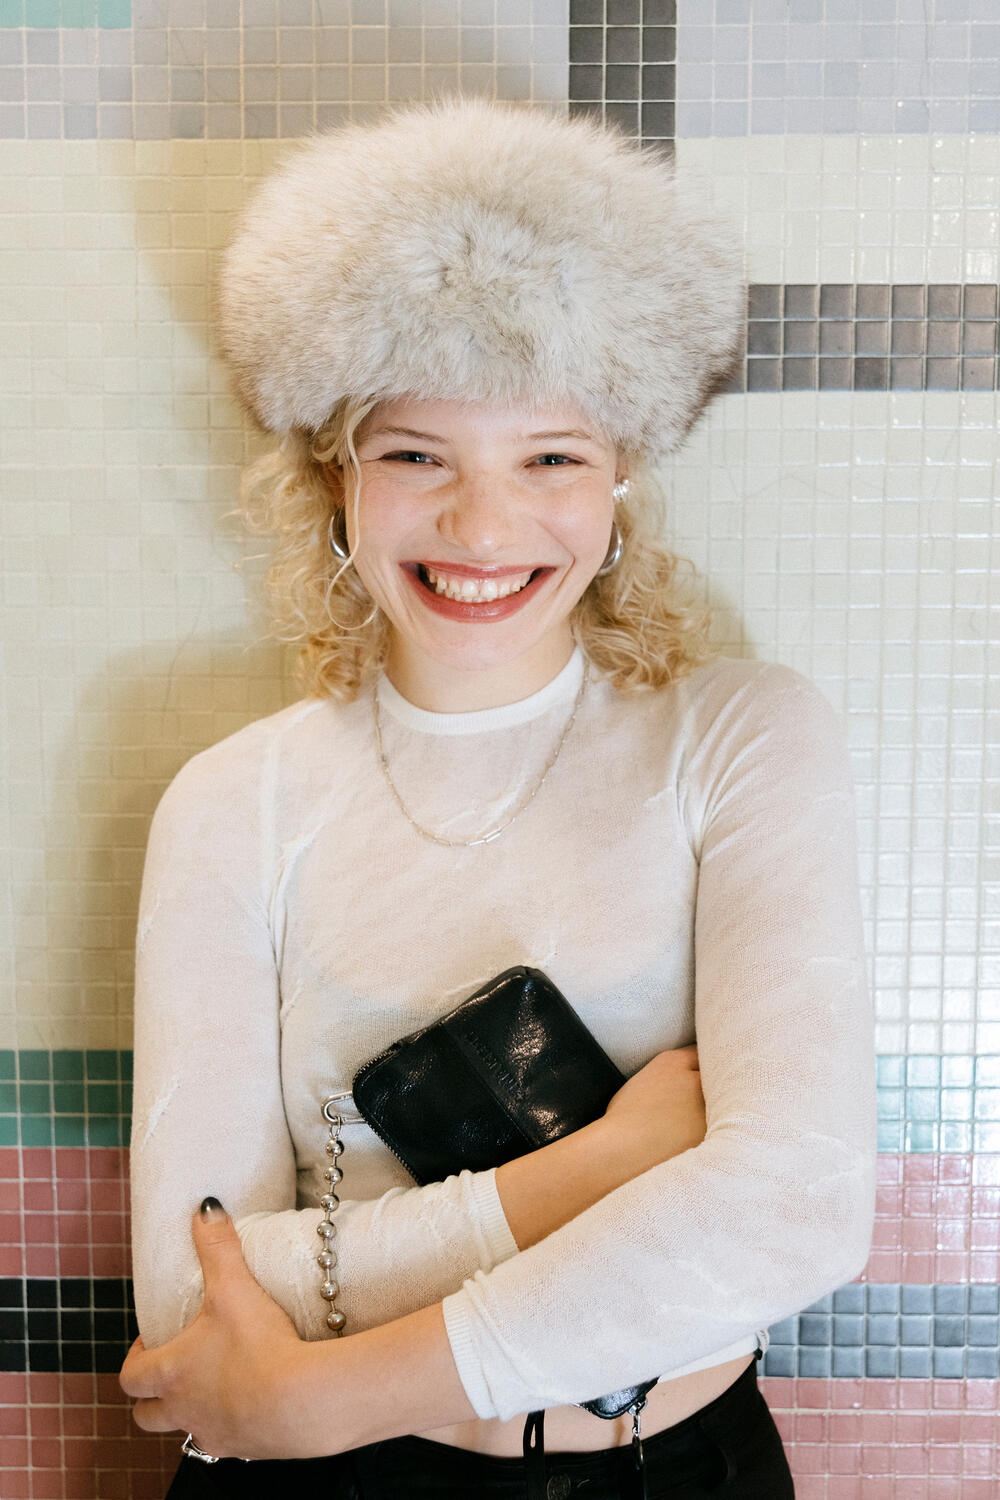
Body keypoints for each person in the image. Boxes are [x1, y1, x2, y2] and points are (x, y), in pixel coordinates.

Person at [120, 97, 878, 1500]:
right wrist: (600, 1172)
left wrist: (322, 1392)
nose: (482, 526)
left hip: (664, 1471)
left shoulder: (743, 736)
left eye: (550, 458)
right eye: (418, 454)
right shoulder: (233, 801)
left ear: (621, 474)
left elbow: (798, 1203)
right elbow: (189, 1289)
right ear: (335, 475)